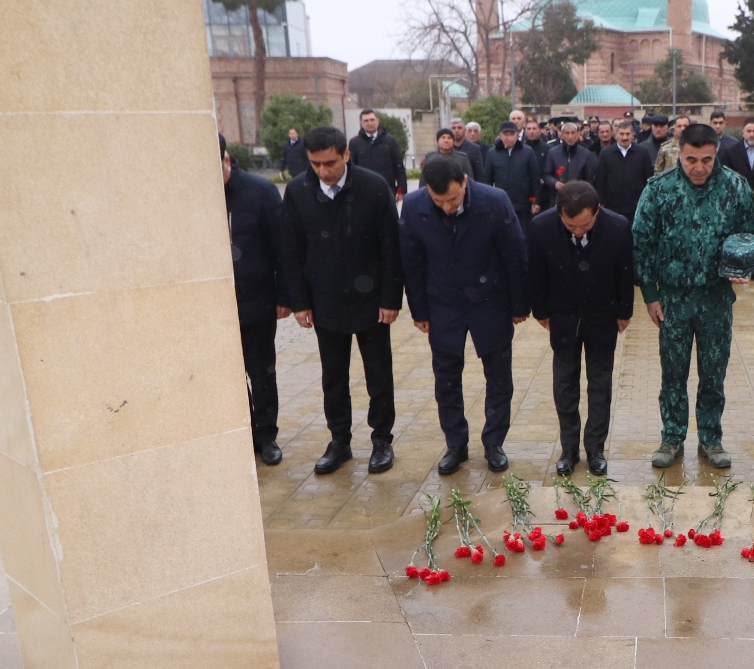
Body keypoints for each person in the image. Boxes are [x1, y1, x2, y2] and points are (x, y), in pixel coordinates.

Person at [632, 122, 754, 470]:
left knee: (713, 374)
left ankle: (710, 438)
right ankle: (672, 437)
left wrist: (746, 264)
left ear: (716, 152)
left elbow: (752, 233)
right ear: (679, 151)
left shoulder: (735, 186)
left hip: (715, 298)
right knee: (673, 373)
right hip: (672, 300)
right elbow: (641, 241)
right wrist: (649, 294)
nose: (699, 167)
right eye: (691, 159)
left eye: (707, 159)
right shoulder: (659, 189)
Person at [282, 125, 404, 475]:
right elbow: (291, 250)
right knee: (333, 377)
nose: (323, 171)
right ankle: (339, 441)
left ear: (346, 155)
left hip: (371, 301)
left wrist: (390, 298)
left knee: (378, 374)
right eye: (315, 164)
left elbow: (391, 247)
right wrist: (299, 302)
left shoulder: (373, 187)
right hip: (325, 301)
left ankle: (381, 440)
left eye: (330, 163)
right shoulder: (298, 191)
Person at [400, 154, 529, 475]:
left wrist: (519, 306)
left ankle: (494, 442)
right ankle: (456, 444)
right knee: (446, 378)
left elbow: (515, 255)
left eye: (453, 199)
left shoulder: (495, 202)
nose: (447, 207)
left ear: (465, 183)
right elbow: (411, 263)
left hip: (489, 301)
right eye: (438, 201)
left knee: (499, 376)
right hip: (443, 303)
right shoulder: (414, 207)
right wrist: (419, 310)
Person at [527, 181, 634, 477]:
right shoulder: (541, 227)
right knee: (564, 385)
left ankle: (596, 449)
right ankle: (569, 450)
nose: (577, 231)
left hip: (603, 316)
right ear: (559, 213)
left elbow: (625, 272)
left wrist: (624, 311)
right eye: (570, 225)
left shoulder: (618, 227)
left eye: (585, 225)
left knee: (600, 384)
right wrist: (541, 311)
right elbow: (535, 272)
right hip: (562, 317)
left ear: (597, 210)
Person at [221, 135, 295, 466]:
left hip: (257, 300)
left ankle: (266, 435)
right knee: (228, 374)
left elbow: (283, 248)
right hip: (214, 309)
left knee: (261, 372)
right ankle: (242, 431)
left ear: (226, 160)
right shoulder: (192, 196)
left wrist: (285, 295)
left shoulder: (260, 192)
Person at [718, 119, 754, 282]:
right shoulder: (730, 151)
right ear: (743, 132)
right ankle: (732, 268)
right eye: (749, 131)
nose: (751, 134)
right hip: (734, 202)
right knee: (733, 235)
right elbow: (722, 177)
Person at [596, 117, 657, 222]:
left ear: (632, 135)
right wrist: (601, 201)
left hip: (636, 205)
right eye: (621, 134)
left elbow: (648, 177)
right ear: (615, 135)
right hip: (613, 206)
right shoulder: (606, 154)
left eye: (627, 134)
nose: (625, 137)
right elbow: (600, 179)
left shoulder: (642, 152)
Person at [485, 121, 543, 213]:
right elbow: (488, 180)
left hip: (523, 204)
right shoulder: (492, 153)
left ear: (517, 135)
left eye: (511, 134)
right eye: (505, 134)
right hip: (500, 203)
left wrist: (536, 201)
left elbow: (535, 178)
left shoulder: (527, 152)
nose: (509, 137)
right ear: (500, 135)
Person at [542, 116, 598, 210]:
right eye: (567, 133)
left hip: (579, 199)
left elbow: (589, 180)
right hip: (558, 198)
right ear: (562, 135)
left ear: (577, 134)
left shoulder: (586, 154)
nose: (570, 137)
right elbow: (546, 175)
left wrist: (578, 188)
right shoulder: (553, 153)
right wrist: (555, 183)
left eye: (573, 133)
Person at [349, 109, 406, 196]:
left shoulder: (390, 141)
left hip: (387, 190)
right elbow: (351, 169)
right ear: (361, 123)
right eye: (366, 121)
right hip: (363, 192)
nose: (369, 123)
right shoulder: (354, 143)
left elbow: (399, 167)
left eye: (372, 120)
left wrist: (401, 190)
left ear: (378, 121)